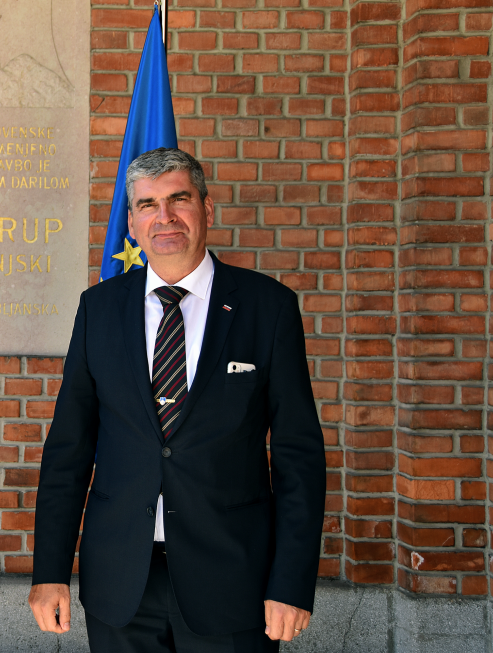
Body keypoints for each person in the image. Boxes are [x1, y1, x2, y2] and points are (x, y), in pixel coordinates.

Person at [28, 148, 326, 653]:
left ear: (207, 210)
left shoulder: (267, 307)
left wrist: (291, 582)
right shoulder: (98, 308)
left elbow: (299, 457)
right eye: (147, 205)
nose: (163, 218)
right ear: (132, 220)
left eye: (178, 200)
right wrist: (50, 571)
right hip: (120, 581)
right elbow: (68, 451)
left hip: (233, 580)